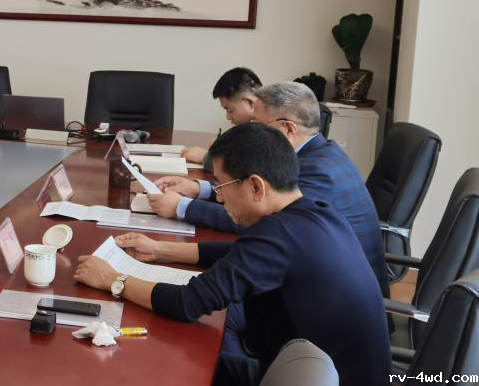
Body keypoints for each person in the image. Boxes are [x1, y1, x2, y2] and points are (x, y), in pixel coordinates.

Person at [75, 123, 390, 386]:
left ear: (256, 186)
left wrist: (113, 280)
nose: (219, 196)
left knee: (164, 364)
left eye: (221, 186)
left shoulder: (280, 235)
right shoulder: (312, 212)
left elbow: (187, 303)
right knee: (191, 357)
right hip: (317, 375)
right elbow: (243, 253)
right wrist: (161, 249)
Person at [146, 81, 387, 292]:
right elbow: (254, 198)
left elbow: (253, 221)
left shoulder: (315, 171)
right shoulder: (319, 153)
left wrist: (182, 207)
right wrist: (201, 189)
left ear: (288, 128)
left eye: (258, 124)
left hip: (335, 304)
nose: (252, 131)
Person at [181, 67, 261, 164]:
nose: (228, 117)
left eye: (230, 110)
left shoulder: (271, 129)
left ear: (249, 102)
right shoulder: (252, 128)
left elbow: (249, 165)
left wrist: (205, 157)